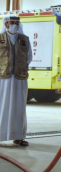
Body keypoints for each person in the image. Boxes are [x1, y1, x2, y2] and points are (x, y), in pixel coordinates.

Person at [0, 16, 32, 146]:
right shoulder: (0, 38)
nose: (14, 25)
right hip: (3, 79)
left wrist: (19, 67)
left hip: (20, 78)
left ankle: (18, 137)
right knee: (2, 106)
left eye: (16, 23)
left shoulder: (25, 39)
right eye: (11, 23)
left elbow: (29, 57)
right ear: (6, 24)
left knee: (19, 107)